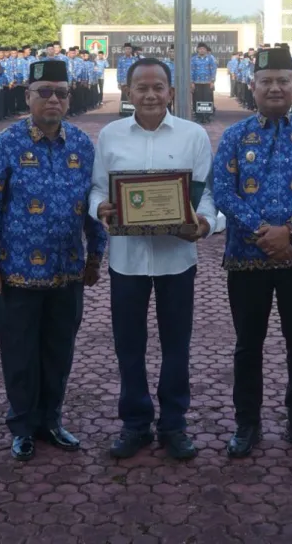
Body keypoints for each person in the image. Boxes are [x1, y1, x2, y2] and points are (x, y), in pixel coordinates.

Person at [0, 59, 107, 462]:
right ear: (27, 96)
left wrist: (95, 255)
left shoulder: (82, 144)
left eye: (60, 93)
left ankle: (51, 420)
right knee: (19, 353)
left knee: (58, 351)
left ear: (69, 98)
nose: (53, 100)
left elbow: (94, 203)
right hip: (17, 272)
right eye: (44, 92)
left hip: (67, 270)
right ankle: (23, 427)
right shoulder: (6, 143)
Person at [212, 46, 292, 461]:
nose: (275, 88)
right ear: (253, 86)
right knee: (248, 344)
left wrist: (290, 231)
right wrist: (262, 231)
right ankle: (247, 422)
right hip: (246, 258)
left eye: (283, 81)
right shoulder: (235, 136)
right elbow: (223, 191)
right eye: (266, 81)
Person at [90, 58, 217, 461]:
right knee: (129, 346)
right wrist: (100, 208)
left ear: (171, 92)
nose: (149, 95)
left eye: (158, 87)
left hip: (177, 259)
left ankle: (174, 424)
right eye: (141, 88)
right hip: (126, 261)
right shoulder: (110, 136)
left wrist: (205, 224)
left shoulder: (194, 136)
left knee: (176, 345)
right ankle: (135, 423)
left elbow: (207, 196)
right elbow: (97, 189)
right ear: (127, 92)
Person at [190, 43, 218, 122]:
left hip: (207, 83)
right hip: (197, 83)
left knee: (207, 99)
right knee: (197, 99)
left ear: (206, 50)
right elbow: (191, 71)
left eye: (203, 49)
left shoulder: (210, 58)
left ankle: (207, 116)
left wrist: (212, 81)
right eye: (200, 49)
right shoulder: (193, 59)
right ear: (197, 50)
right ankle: (199, 116)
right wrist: (191, 82)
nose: (202, 50)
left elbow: (213, 70)